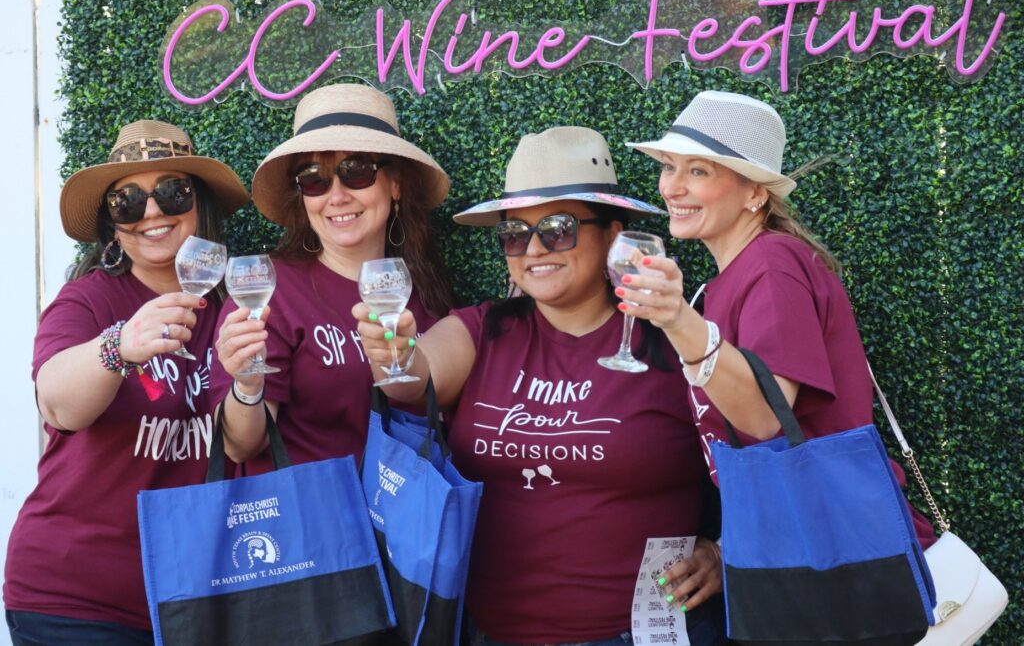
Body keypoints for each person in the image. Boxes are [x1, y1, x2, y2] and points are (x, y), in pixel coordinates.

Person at [355, 127, 728, 646]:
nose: (533, 249)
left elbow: (764, 451)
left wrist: (723, 550)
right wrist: (391, 350)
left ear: (614, 235)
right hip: (492, 633)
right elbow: (413, 381)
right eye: (514, 233)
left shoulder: (675, 341)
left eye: (558, 228)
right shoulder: (483, 330)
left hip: (641, 634)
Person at [620, 90, 938, 563]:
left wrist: (677, 318)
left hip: (842, 548)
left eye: (698, 171)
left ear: (754, 193)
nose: (671, 187)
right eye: (669, 166)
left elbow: (767, 419)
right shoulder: (741, 272)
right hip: (808, 541)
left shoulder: (772, 265)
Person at [4, 120, 248, 645]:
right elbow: (59, 404)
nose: (153, 211)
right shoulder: (88, 302)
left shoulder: (234, 310)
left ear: (200, 205)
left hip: (198, 602)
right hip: (77, 599)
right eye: (128, 202)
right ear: (113, 227)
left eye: (171, 192)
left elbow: (244, 439)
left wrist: (249, 377)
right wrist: (118, 346)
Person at [212, 83, 454, 470]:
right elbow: (241, 447)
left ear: (395, 185)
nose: (336, 196)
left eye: (356, 171)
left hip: (409, 523)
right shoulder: (272, 291)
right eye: (314, 179)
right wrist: (247, 385)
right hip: (316, 522)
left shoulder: (422, 292)